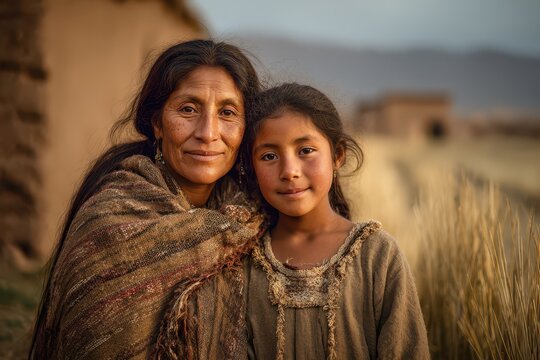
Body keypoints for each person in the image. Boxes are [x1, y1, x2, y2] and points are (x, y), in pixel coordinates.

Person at [30, 40, 264, 359]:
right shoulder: (111, 225)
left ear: (245, 128)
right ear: (157, 123)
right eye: (188, 109)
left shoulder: (257, 221)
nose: (208, 132)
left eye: (227, 112)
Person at [242, 83, 430, 359]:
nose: (289, 171)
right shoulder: (244, 262)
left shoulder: (377, 256)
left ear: (337, 155)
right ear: (252, 168)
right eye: (269, 156)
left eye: (305, 150)